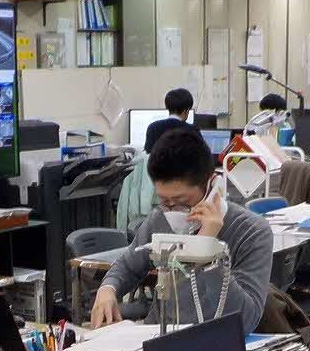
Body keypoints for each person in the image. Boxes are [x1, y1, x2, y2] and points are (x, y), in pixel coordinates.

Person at [91, 128, 273, 334]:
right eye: (164, 201)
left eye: (181, 202)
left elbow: (246, 320)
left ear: (212, 185)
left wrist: (206, 249)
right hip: (161, 338)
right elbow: (128, 265)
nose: (171, 210)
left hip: (216, 342)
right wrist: (108, 289)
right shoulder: (159, 218)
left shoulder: (251, 231)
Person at [144, 87, 195, 153]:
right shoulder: (192, 131)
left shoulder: (153, 127)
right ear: (186, 110)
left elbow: (147, 154)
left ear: (167, 107)